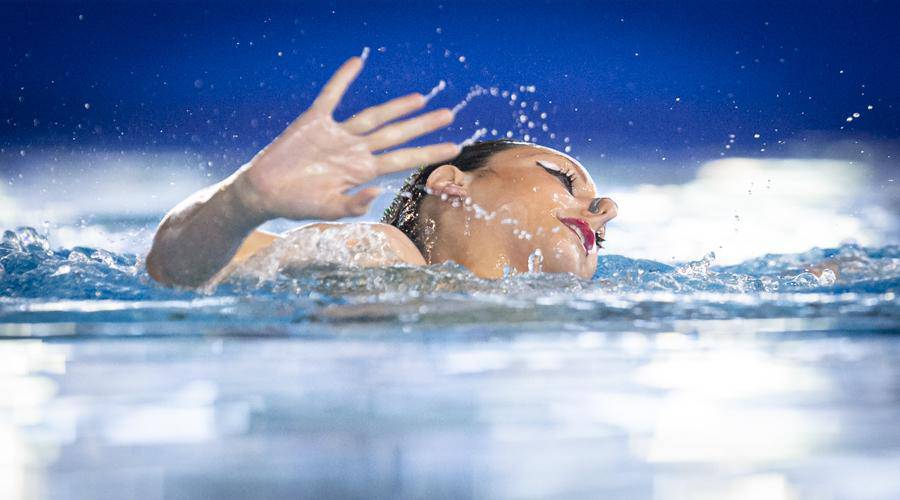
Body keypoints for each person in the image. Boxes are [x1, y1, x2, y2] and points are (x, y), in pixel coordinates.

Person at [146, 56, 617, 288]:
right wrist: (243, 202)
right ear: (451, 184)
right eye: (564, 179)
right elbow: (172, 273)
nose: (607, 210)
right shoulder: (386, 256)